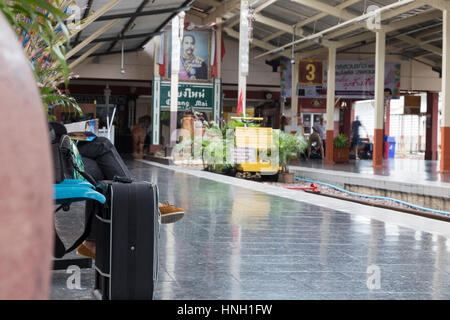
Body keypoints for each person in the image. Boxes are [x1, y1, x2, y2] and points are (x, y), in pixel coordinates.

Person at [49, 123, 185, 259]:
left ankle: (91, 243)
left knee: (100, 166)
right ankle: (145, 202)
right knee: (103, 145)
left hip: (50, 161)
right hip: (50, 164)